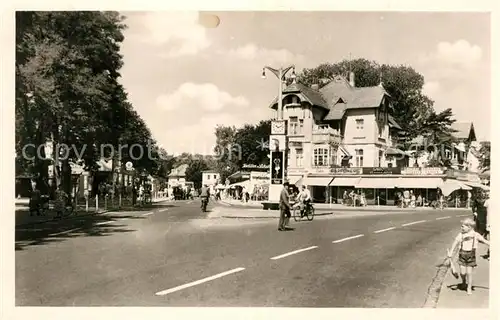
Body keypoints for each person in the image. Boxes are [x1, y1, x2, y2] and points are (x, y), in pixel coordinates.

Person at [447, 217, 490, 295]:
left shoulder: (475, 235)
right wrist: (451, 252)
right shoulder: (461, 235)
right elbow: (455, 243)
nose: (461, 228)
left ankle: (469, 287)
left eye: (463, 226)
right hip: (462, 255)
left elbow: (484, 241)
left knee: (469, 273)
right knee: (463, 273)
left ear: (469, 227)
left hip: (471, 256)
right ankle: (464, 282)